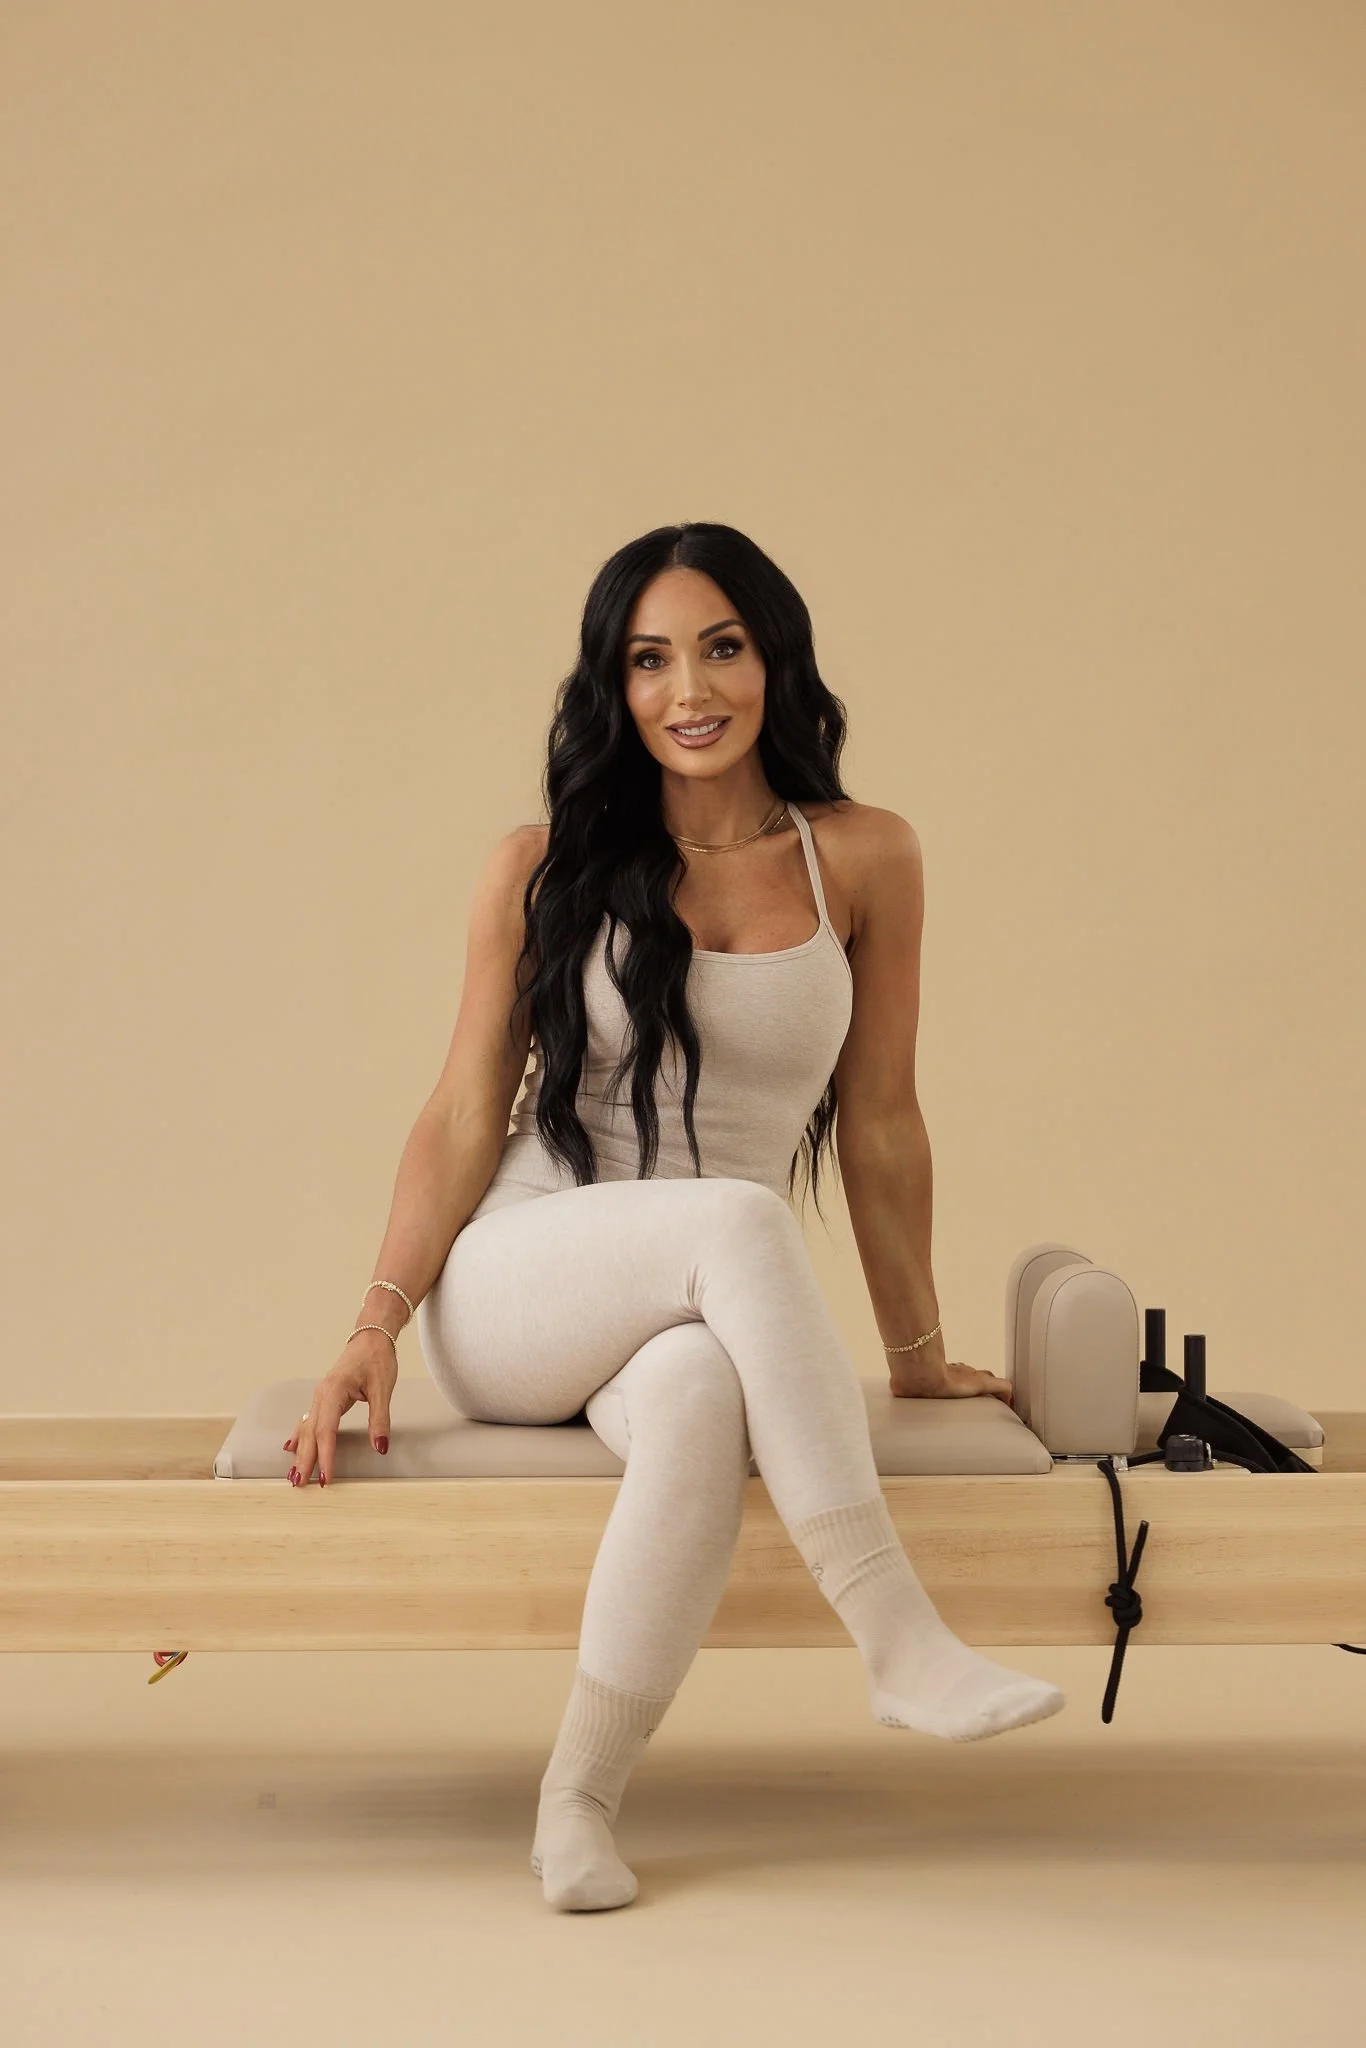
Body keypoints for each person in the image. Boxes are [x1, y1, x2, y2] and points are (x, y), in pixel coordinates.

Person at [287, 521, 1065, 1913]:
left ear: (772, 661)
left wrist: (915, 1358)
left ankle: (575, 1805)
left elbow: (880, 1124)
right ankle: (892, 1634)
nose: (686, 688)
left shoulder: (864, 859)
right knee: (739, 1223)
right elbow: (465, 1113)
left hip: (692, 1304)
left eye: (718, 647)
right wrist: (372, 1327)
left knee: (704, 1392)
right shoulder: (540, 864)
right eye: (648, 660)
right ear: (613, 686)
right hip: (523, 1288)